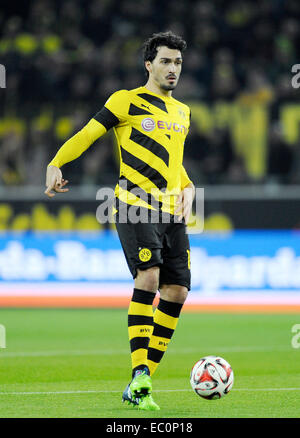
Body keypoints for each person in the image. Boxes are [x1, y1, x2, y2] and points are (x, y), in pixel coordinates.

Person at [45, 31, 195, 411]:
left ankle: (138, 384)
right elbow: (87, 134)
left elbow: (174, 163)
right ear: (149, 64)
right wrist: (56, 162)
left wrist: (190, 188)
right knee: (149, 277)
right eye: (165, 61)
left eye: (177, 62)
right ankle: (140, 373)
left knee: (177, 292)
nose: (172, 68)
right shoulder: (125, 101)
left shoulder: (183, 113)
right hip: (133, 204)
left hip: (171, 211)